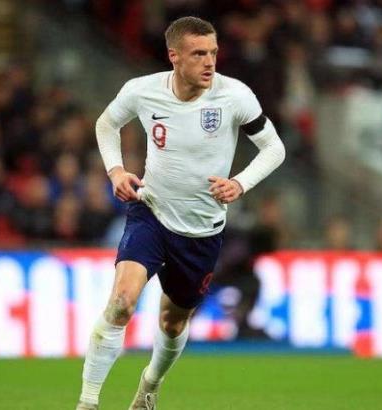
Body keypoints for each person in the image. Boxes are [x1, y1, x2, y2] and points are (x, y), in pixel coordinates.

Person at [76, 16, 286, 410]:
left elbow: (274, 148)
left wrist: (240, 183)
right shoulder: (143, 91)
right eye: (199, 54)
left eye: (213, 53)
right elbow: (107, 124)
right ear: (174, 56)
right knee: (121, 301)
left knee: (172, 323)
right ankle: (88, 402)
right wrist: (116, 170)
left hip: (201, 231)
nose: (210, 62)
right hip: (151, 212)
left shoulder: (234, 96)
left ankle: (149, 385)